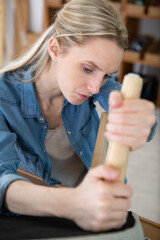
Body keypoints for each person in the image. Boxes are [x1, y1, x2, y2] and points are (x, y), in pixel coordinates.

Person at [0, 0, 158, 232]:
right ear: (55, 49)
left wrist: (145, 121)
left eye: (107, 74)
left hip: (99, 209)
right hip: (43, 215)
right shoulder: (4, 97)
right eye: (87, 69)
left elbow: (126, 103)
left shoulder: (98, 85)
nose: (95, 87)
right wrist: (74, 203)